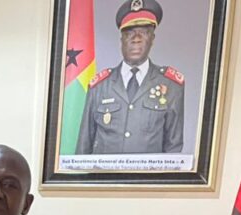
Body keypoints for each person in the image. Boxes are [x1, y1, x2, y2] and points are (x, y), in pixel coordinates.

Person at [76, 0, 185, 155]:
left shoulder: (171, 85)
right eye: (129, 33)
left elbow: (173, 150)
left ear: (152, 39)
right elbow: (83, 146)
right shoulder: (100, 86)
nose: (136, 38)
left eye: (144, 32)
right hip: (103, 172)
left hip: (149, 172)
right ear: (121, 40)